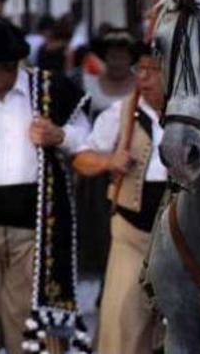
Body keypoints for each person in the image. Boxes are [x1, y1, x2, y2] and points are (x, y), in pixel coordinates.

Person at [0, 20, 91, 354]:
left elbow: (88, 139)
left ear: (10, 68)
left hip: (34, 232)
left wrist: (60, 136)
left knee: (24, 325)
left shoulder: (52, 89)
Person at [72, 46, 165, 353]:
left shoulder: (195, 116)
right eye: (141, 70)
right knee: (124, 320)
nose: (144, 78)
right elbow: (81, 159)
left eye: (153, 71)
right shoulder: (120, 113)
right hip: (132, 234)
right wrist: (109, 162)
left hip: (186, 236)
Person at [83, 26, 138, 116]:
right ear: (105, 57)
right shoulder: (89, 84)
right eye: (113, 57)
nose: (117, 63)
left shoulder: (142, 86)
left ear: (131, 59)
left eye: (122, 57)